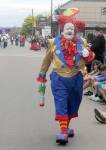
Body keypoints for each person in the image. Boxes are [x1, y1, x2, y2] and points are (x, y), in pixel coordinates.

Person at [36, 15, 94, 145]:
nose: (69, 31)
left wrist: (87, 54)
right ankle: (63, 131)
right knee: (61, 102)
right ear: (62, 30)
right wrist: (42, 74)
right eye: (67, 28)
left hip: (76, 78)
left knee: (72, 103)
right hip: (59, 78)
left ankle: (67, 127)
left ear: (75, 31)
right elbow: (46, 60)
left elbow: (89, 58)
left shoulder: (82, 42)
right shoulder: (53, 42)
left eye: (71, 29)